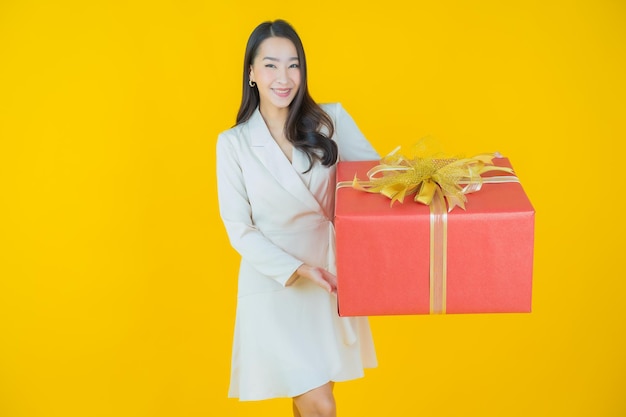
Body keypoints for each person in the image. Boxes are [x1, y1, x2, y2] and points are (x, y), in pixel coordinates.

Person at [216, 19, 379, 417]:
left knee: (309, 401)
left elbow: (375, 183)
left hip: (331, 277)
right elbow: (240, 230)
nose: (284, 77)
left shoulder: (329, 121)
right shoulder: (233, 144)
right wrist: (299, 269)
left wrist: (429, 184)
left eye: (293, 65)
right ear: (251, 73)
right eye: (270, 65)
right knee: (320, 405)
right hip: (277, 283)